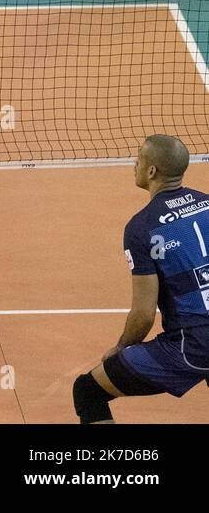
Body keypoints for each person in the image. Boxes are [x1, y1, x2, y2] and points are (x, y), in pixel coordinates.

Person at [74, 134, 209, 423]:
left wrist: (122, 347)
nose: (133, 164)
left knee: (87, 391)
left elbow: (144, 313)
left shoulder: (141, 228)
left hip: (192, 346)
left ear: (151, 171)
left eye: (138, 159)